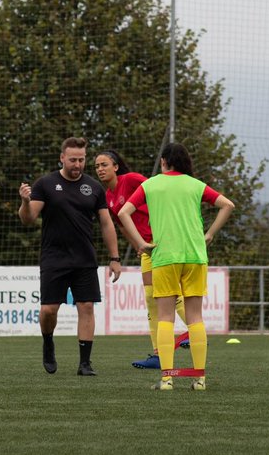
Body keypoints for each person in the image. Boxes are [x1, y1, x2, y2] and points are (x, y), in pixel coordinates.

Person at [118, 142, 234, 391]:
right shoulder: (195, 184)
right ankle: (200, 379)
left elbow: (123, 213)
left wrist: (141, 243)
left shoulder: (150, 184)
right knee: (195, 317)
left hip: (164, 256)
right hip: (194, 256)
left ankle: (167, 379)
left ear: (163, 162)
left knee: (165, 317)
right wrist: (210, 233)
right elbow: (228, 205)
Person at [19, 137, 122, 376]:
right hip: (54, 258)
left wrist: (115, 258)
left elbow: (106, 224)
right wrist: (25, 202)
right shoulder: (45, 184)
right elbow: (28, 218)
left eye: (82, 159)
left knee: (86, 306)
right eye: (73, 159)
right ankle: (48, 342)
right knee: (48, 311)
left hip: (85, 259)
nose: (78, 164)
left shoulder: (94, 188)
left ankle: (85, 363)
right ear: (62, 158)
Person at [93, 149, 187, 370]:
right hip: (148, 247)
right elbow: (123, 226)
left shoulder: (132, 179)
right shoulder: (108, 197)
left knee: (169, 291)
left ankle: (192, 332)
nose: (100, 169)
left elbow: (159, 191)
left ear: (116, 167)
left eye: (104, 164)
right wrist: (138, 246)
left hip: (163, 239)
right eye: (97, 166)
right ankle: (158, 355)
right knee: (150, 296)